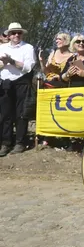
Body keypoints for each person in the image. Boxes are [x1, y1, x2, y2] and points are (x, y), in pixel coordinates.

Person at [0, 23, 37, 156]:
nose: (16, 35)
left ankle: (20, 142)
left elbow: (28, 67)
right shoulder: (2, 48)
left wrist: (11, 61)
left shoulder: (28, 48)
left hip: (21, 82)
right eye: (13, 33)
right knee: (5, 114)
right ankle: (6, 143)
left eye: (19, 33)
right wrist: (3, 63)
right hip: (5, 82)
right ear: (8, 35)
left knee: (21, 114)